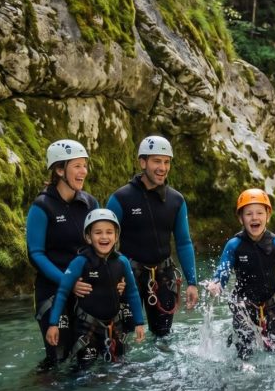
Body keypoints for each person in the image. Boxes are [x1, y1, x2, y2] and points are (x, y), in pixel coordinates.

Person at [106, 135, 198, 338]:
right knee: (124, 337)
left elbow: (184, 243)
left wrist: (192, 282)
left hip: (163, 277)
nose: (162, 168)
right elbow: (103, 244)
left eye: (166, 162)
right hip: (128, 276)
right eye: (157, 161)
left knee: (163, 338)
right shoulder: (120, 198)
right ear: (142, 162)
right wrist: (109, 278)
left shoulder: (176, 200)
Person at [207, 188, 275, 359]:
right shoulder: (234, 245)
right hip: (243, 309)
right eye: (249, 214)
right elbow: (222, 271)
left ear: (268, 215)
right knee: (244, 353)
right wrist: (216, 284)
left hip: (270, 308)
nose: (254, 217)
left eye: (260, 213)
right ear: (241, 218)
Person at [26, 139, 98, 371]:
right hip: (52, 290)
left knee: (88, 358)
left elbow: (103, 247)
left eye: (85, 165)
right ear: (59, 170)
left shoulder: (90, 203)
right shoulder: (42, 206)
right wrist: (68, 282)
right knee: (59, 358)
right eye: (77, 166)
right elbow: (36, 254)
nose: (83, 171)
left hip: (85, 289)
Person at [45, 209, 145, 368]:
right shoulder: (80, 262)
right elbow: (62, 292)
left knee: (121, 368)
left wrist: (139, 322)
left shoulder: (122, 262)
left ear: (116, 236)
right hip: (86, 328)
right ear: (88, 237)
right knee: (84, 372)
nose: (104, 237)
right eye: (98, 233)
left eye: (109, 232)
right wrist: (53, 324)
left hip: (115, 327)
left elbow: (132, 292)